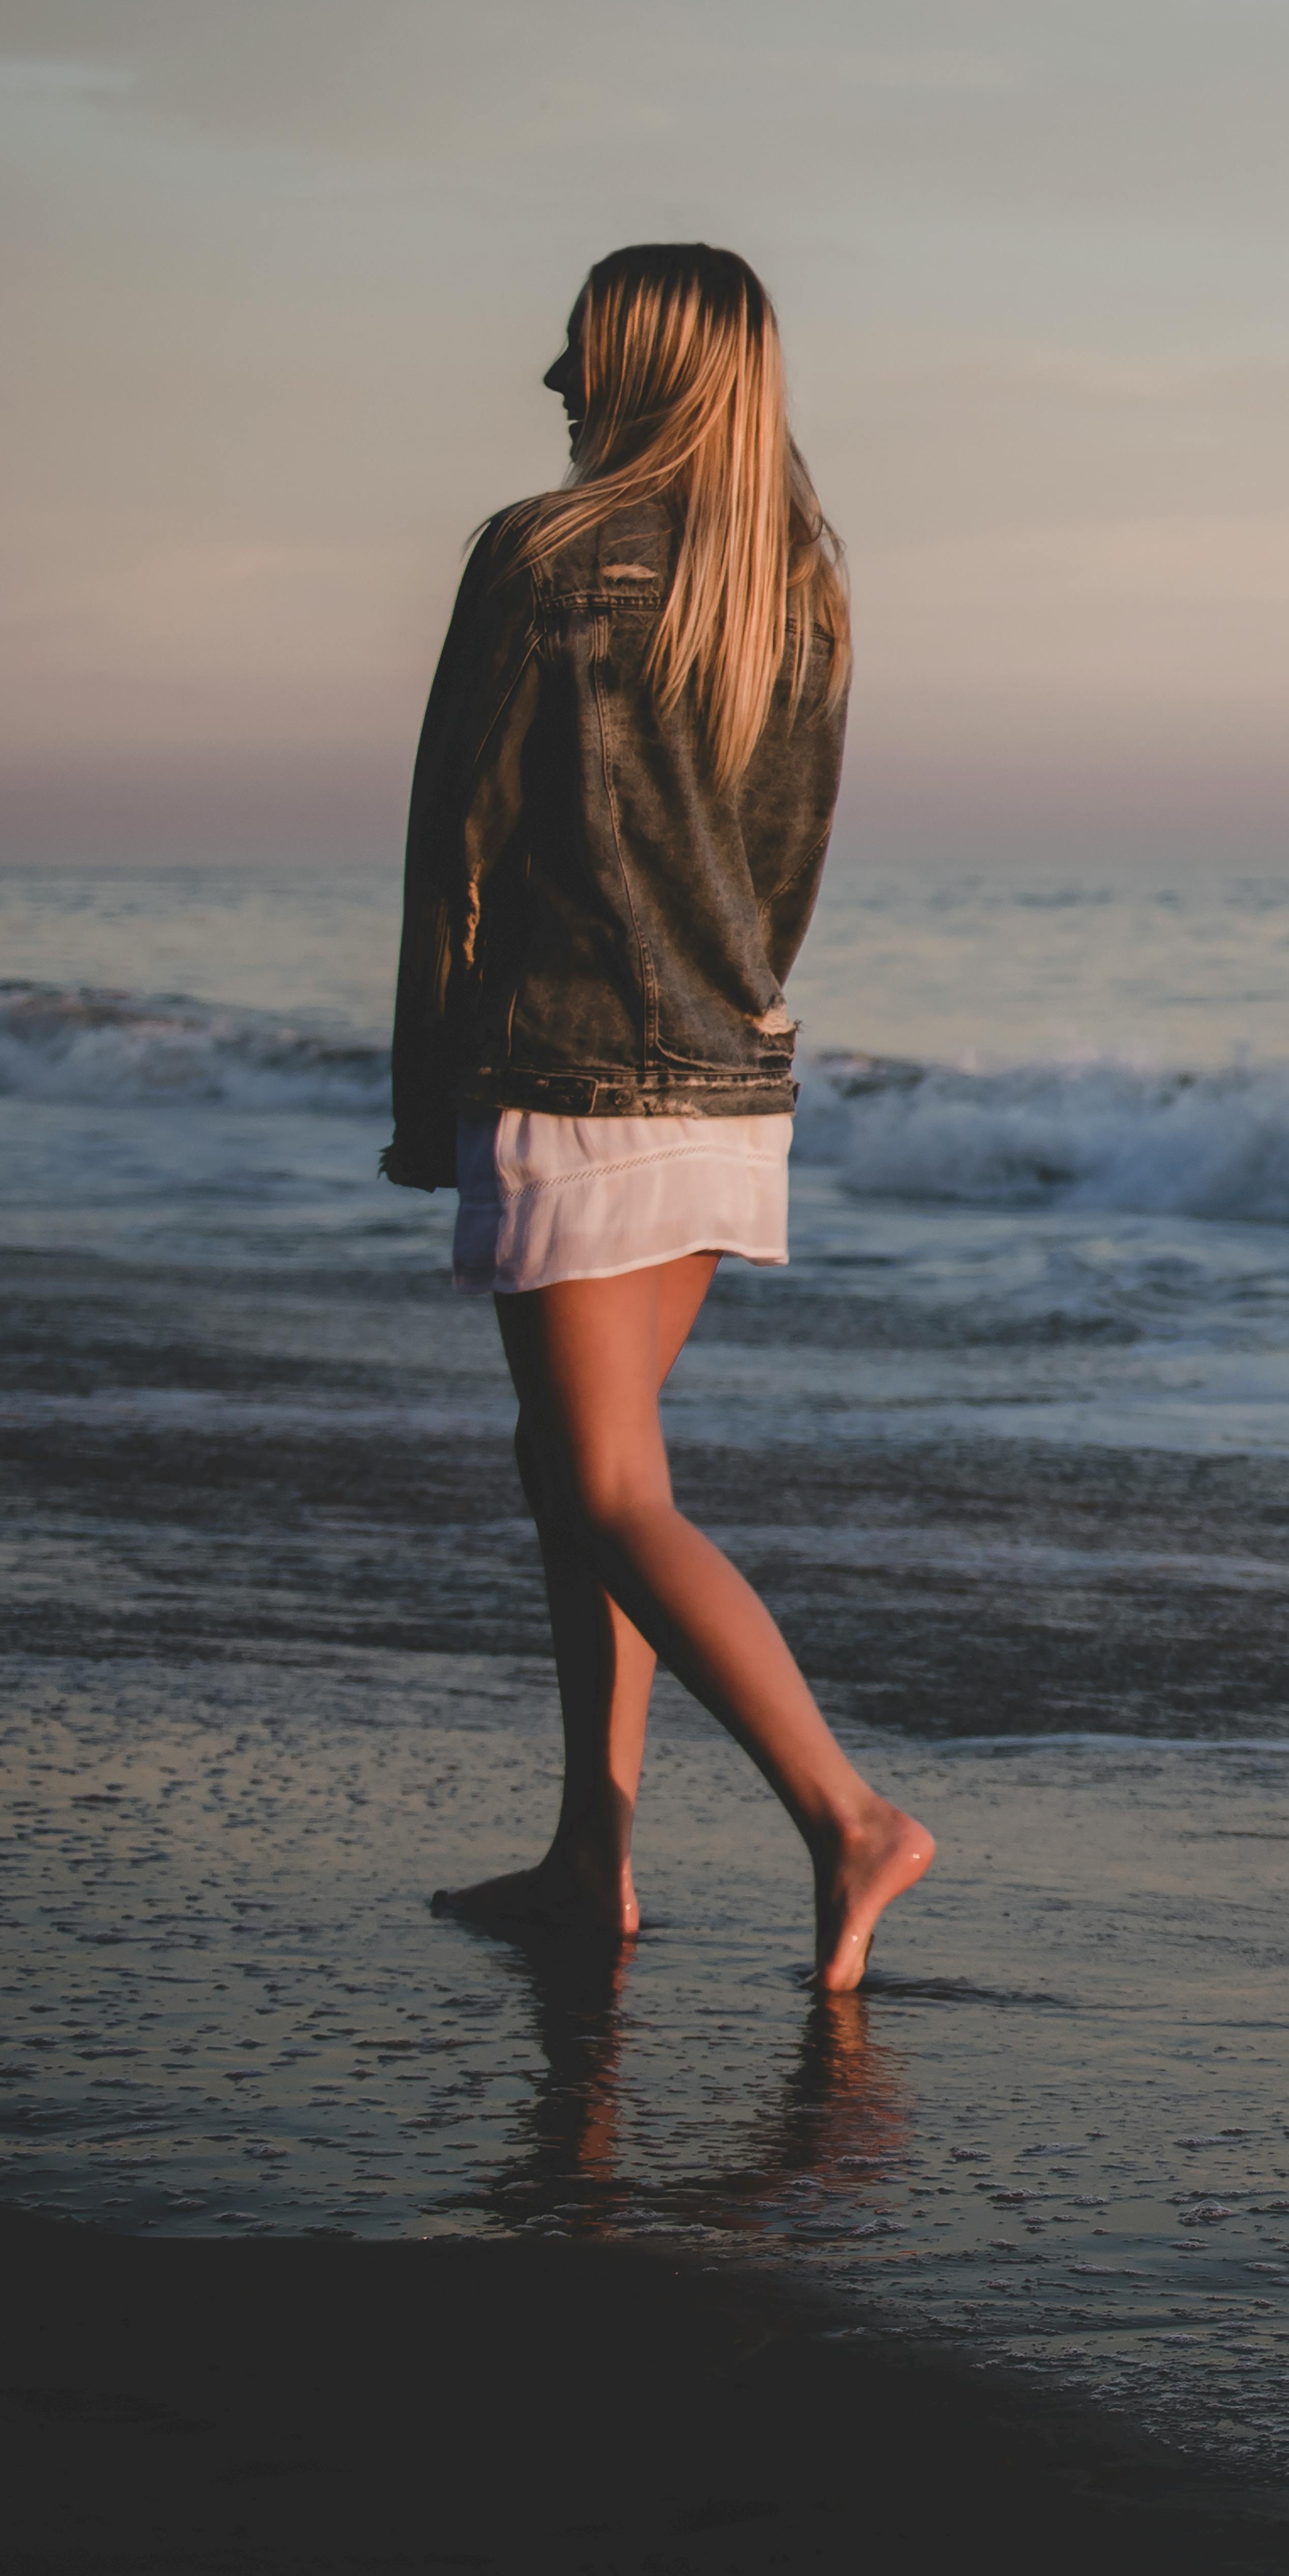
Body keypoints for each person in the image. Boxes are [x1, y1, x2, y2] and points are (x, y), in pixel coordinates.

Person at [383, 242, 932, 1992]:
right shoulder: (804, 584)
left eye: (580, 345)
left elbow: (450, 847)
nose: (552, 374)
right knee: (583, 1471)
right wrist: (727, 1027)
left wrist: (422, 1091)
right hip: (724, 1078)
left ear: (648, 367)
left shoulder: (540, 559)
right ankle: (588, 1854)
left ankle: (849, 1816)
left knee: (606, 1483)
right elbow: (785, 874)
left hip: (567, 1069)